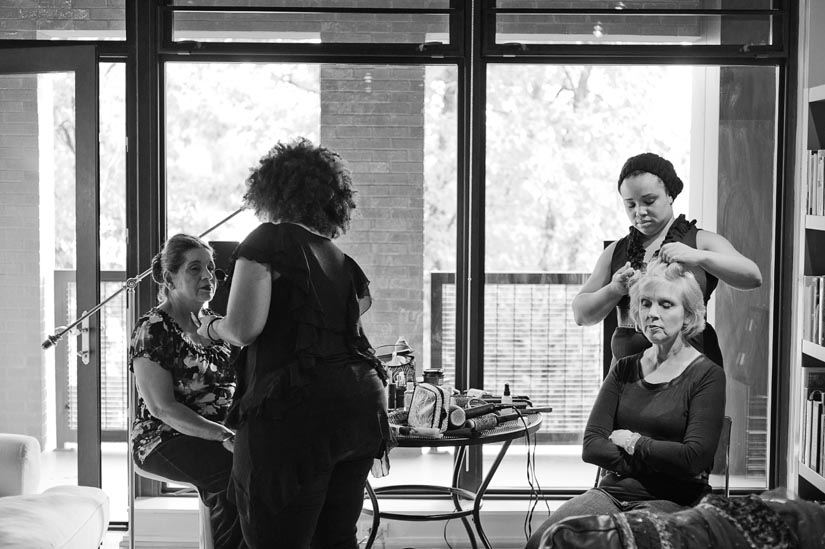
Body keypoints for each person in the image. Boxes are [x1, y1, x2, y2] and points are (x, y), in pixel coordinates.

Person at [195, 137, 390, 548]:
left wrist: (212, 326)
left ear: (271, 192)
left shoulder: (268, 240)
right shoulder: (340, 259)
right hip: (360, 410)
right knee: (334, 539)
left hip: (297, 413)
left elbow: (244, 329)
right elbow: (358, 311)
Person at [527, 259, 727, 548]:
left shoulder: (707, 375)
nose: (652, 314)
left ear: (688, 316)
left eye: (666, 305)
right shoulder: (624, 368)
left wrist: (632, 442)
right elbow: (592, 445)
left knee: (628, 542)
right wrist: (659, 459)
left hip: (673, 500)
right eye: (645, 304)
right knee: (544, 540)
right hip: (610, 494)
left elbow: (693, 458)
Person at [572, 152, 762, 366]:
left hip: (692, 374)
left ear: (670, 195)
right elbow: (581, 314)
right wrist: (614, 289)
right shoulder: (617, 251)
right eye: (630, 205)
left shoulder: (701, 241)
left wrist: (700, 257)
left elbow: (753, 276)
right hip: (629, 379)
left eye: (649, 201)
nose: (640, 212)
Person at [129, 233, 246, 549]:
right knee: (238, 474)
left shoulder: (216, 326)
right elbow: (162, 408)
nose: (208, 276)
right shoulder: (153, 329)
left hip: (220, 434)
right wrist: (223, 435)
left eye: (210, 268)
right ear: (170, 277)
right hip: (163, 438)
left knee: (271, 464)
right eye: (195, 269)